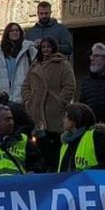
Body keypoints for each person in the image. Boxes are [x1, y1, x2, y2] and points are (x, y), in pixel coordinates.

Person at [22, 37, 76, 172]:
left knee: (56, 146)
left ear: (53, 48)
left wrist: (60, 102)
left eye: (48, 47)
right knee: (39, 147)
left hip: (54, 111)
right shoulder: (34, 66)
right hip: (36, 111)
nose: (46, 50)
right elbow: (26, 86)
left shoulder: (63, 64)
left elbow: (70, 86)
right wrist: (28, 101)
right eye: (43, 47)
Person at [57, 103, 105, 172]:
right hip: (70, 179)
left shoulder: (95, 136)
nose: (63, 120)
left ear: (74, 120)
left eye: (65, 117)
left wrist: (87, 171)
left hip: (91, 179)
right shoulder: (65, 142)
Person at [0, 23, 36, 105]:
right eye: (11, 31)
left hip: (23, 94)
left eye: (17, 30)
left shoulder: (29, 49)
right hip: (4, 95)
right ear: (7, 33)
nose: (15, 32)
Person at [77, 43, 105, 117]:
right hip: (92, 123)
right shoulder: (86, 81)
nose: (92, 58)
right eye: (92, 56)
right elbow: (82, 106)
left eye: (96, 56)